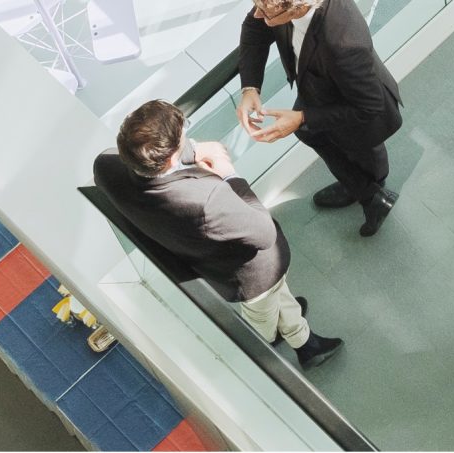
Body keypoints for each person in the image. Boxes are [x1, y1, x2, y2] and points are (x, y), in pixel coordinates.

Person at [93, 100, 342, 367]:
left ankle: (292, 325)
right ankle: (290, 344)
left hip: (214, 266)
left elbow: (159, 159)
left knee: (277, 298)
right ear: (169, 158)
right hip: (253, 274)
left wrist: (195, 149)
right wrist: (229, 175)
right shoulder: (205, 200)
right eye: (183, 135)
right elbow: (264, 232)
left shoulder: (106, 167)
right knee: (261, 314)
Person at [237, 0, 404, 237]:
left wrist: (302, 117)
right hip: (320, 89)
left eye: (266, 12)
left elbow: (368, 105)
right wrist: (250, 88)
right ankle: (362, 189)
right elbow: (254, 26)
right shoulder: (275, 5)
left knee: (361, 150)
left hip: (355, 109)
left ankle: (372, 192)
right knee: (308, 131)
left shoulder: (344, 42)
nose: (257, 14)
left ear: (296, 9)